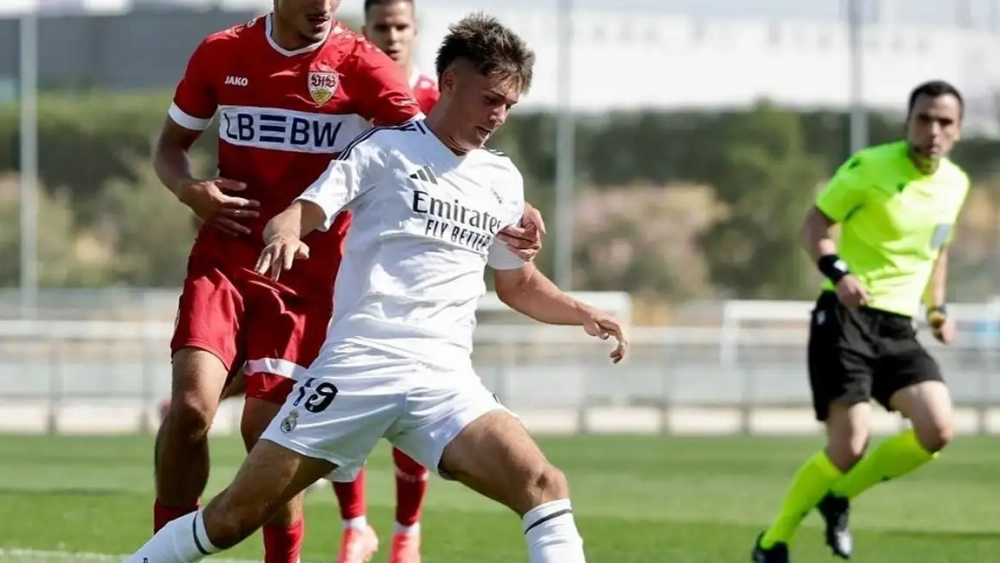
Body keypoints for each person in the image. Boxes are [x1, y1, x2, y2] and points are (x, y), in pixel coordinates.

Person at [123, 13, 625, 563]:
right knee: (234, 515)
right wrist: (287, 231)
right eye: (489, 99)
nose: (498, 116)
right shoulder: (381, 150)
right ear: (450, 81)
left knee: (544, 486)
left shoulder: (502, 180)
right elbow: (301, 211)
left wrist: (582, 312)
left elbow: (517, 283)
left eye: (508, 104)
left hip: (445, 384)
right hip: (358, 371)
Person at [752, 80, 968, 563]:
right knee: (849, 444)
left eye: (945, 122)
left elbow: (939, 249)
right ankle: (773, 541)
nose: (933, 129)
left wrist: (937, 308)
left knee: (938, 430)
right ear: (908, 121)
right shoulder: (869, 166)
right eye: (924, 118)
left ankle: (839, 495)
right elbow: (813, 225)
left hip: (898, 327)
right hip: (844, 319)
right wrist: (839, 272)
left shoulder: (955, 183)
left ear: (958, 130)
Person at [328, 1, 437, 561]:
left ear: (415, 32)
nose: (391, 36)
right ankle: (355, 524)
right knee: (337, 395)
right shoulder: (344, 88)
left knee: (412, 398)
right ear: (363, 31)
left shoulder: (439, 100)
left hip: (410, 275)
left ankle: (407, 533)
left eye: (400, 27)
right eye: (380, 27)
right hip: (344, 262)